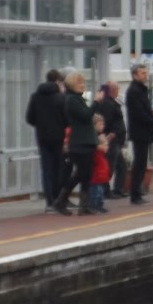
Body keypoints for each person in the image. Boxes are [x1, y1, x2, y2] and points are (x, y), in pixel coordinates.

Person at [53, 70, 97, 216]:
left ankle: (83, 206)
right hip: (79, 143)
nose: (82, 85)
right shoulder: (72, 100)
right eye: (79, 82)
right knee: (80, 174)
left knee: (86, 174)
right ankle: (61, 200)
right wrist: (96, 103)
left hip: (85, 142)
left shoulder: (78, 98)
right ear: (71, 83)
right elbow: (85, 116)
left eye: (83, 82)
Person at [25, 69, 66, 212]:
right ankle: (58, 198)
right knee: (59, 168)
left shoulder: (35, 96)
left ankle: (50, 202)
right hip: (59, 138)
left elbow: (29, 118)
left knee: (47, 170)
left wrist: (41, 125)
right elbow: (67, 119)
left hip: (42, 138)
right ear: (58, 81)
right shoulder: (61, 98)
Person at [125, 63, 153, 205]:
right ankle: (135, 194)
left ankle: (137, 192)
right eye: (143, 73)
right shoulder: (134, 91)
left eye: (146, 72)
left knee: (141, 162)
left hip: (142, 131)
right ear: (135, 75)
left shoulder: (139, 90)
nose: (146, 75)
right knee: (140, 162)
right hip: (140, 131)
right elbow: (138, 112)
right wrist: (152, 118)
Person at [94, 81, 128, 199]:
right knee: (110, 165)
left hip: (116, 139)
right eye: (116, 89)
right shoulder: (108, 104)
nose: (118, 91)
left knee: (120, 165)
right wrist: (110, 133)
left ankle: (117, 189)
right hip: (112, 139)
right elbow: (106, 120)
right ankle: (106, 190)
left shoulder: (111, 102)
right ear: (112, 90)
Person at [88, 114, 111, 214]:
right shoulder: (94, 138)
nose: (102, 126)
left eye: (103, 124)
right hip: (97, 168)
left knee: (99, 189)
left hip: (100, 167)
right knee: (96, 189)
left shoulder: (100, 137)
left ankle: (98, 205)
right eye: (100, 124)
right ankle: (94, 205)